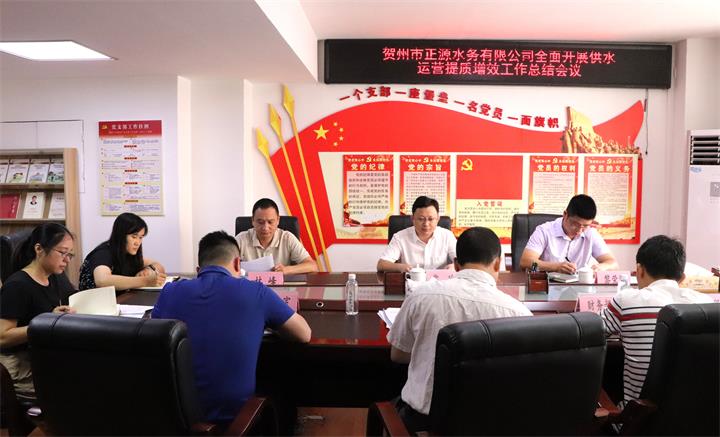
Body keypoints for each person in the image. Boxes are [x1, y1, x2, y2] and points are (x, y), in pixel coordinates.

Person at [151, 230, 311, 425]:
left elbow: (156, 334)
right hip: (235, 421)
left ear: (198, 269)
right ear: (237, 264)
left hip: (174, 418)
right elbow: (304, 334)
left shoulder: (170, 291)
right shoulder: (256, 292)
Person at [388, 227, 532, 433]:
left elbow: (398, 354)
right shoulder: (519, 313)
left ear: (456, 264)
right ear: (497, 263)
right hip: (489, 424)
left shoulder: (420, 296)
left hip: (423, 422)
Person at [601, 235, 712, 407]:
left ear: (639, 270)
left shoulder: (626, 300)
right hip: (695, 416)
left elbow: (593, 332)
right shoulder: (706, 304)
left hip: (638, 418)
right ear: (682, 278)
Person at [0, 223, 77, 401]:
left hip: (41, 354)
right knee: (77, 388)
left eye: (70, 254)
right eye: (62, 253)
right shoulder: (17, 286)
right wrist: (46, 322)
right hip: (18, 363)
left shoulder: (53, 277)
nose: (67, 260)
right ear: (39, 249)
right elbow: (2, 337)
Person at [519, 194, 618, 273]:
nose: (579, 230)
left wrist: (602, 267)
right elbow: (525, 262)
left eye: (585, 225)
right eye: (575, 224)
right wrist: (556, 267)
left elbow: (613, 263)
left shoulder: (591, 233)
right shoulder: (544, 231)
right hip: (547, 286)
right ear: (565, 215)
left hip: (579, 287)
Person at [78, 212, 166, 291]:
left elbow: (158, 265)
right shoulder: (103, 253)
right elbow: (102, 280)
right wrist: (145, 281)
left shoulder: (129, 253)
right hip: (95, 302)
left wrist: (148, 270)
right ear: (121, 235)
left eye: (140, 237)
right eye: (134, 237)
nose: (138, 243)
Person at [235, 198, 317, 274]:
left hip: (280, 285)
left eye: (270, 222)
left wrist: (286, 270)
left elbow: (312, 266)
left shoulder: (287, 238)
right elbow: (227, 267)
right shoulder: (241, 239)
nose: (265, 227)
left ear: (278, 220)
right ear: (252, 221)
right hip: (249, 284)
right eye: (260, 222)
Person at [377, 196, 456, 272]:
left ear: (438, 219)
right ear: (412, 219)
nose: (426, 224)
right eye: (421, 219)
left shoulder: (447, 236)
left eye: (431, 219)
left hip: (440, 280)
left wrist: (454, 266)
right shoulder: (400, 237)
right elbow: (381, 264)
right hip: (411, 280)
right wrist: (401, 267)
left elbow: (461, 260)